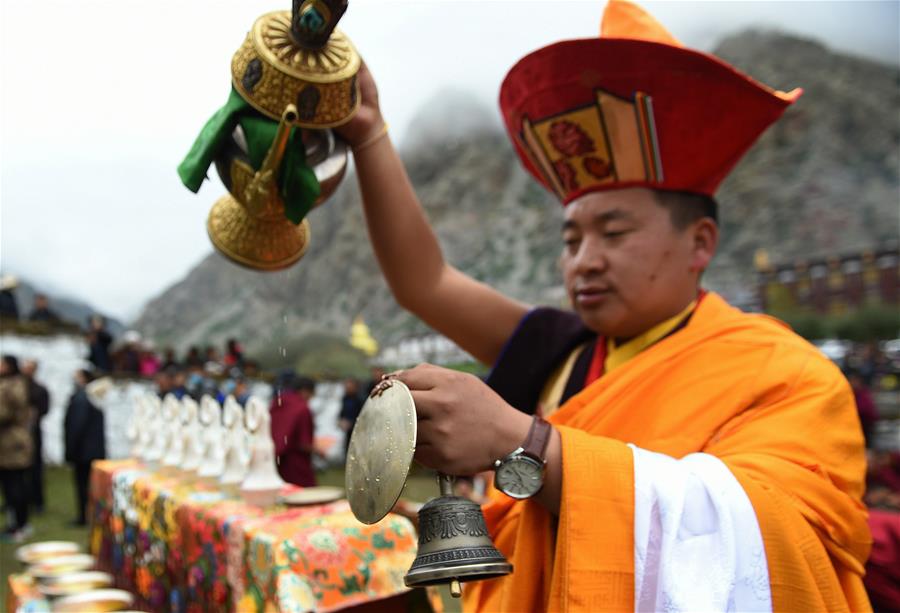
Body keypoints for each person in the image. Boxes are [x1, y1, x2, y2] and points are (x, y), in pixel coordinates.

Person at [334, 1, 871, 610]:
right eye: (571, 240)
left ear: (700, 243)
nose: (584, 260)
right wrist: (369, 132)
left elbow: (770, 546)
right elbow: (423, 282)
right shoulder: (561, 347)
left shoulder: (784, 375)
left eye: (613, 234)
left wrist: (526, 443)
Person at [64, 368, 106, 526]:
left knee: (83, 485)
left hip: (83, 451)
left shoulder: (83, 397)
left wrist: (70, 449)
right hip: (93, 449)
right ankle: (92, 515)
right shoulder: (94, 396)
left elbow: (76, 426)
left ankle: (85, 516)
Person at [0, 355, 33, 542]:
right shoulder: (11, 384)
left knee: (15, 486)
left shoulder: (14, 385)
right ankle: (15, 523)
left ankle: (20, 525)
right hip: (7, 445)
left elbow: (4, 412)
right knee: (10, 486)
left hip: (13, 444)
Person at [269, 372, 317, 487]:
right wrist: (320, 451)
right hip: (295, 461)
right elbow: (304, 444)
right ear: (305, 391)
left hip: (274, 459)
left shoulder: (278, 402)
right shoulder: (302, 409)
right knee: (305, 496)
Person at [21, 359, 50, 514]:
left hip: (33, 432)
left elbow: (44, 409)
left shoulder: (39, 389)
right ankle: (22, 500)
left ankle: (38, 502)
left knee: (35, 468)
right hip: (19, 433)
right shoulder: (19, 387)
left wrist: (33, 416)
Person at [337, 377, 364, 457]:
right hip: (348, 432)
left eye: (349, 386)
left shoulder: (361, 399)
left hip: (360, 432)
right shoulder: (345, 398)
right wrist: (341, 421)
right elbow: (342, 412)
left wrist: (351, 423)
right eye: (346, 386)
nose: (347, 388)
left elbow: (363, 417)